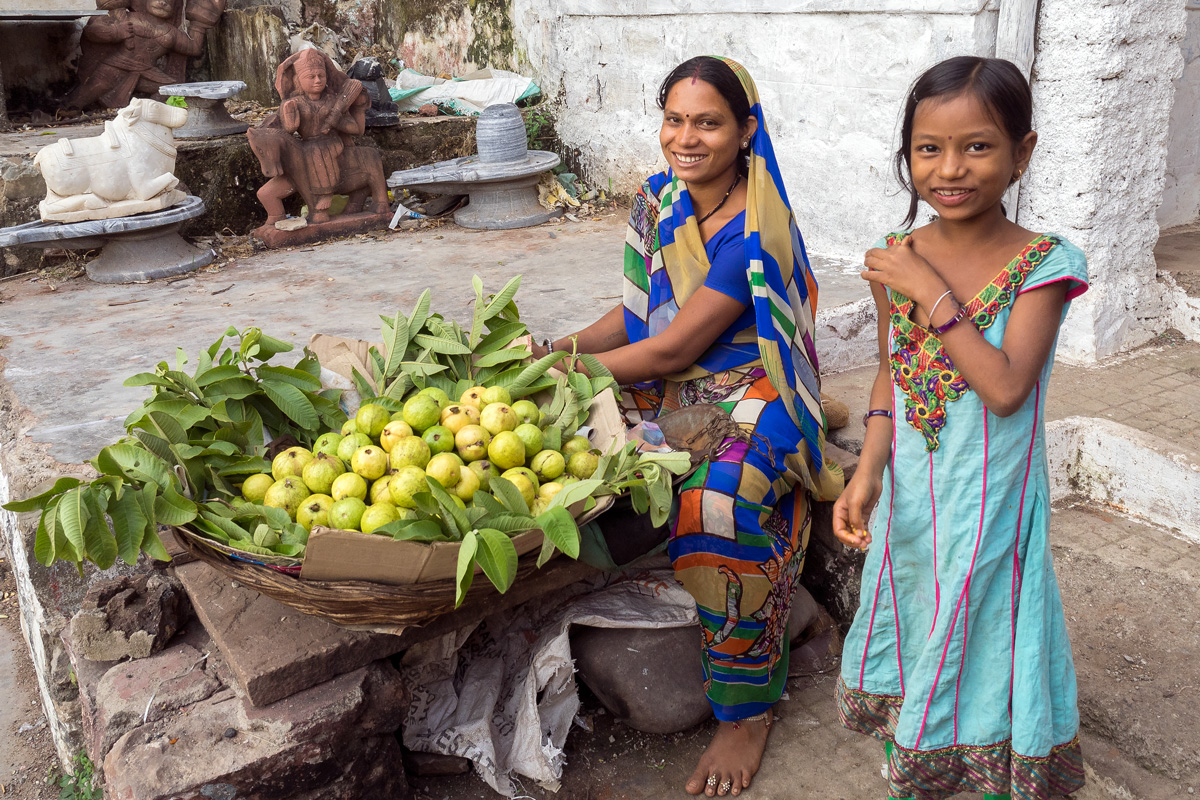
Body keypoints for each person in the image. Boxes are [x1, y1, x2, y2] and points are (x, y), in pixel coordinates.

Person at [532, 56, 843, 797]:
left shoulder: (755, 233)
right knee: (570, 443)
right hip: (674, 380)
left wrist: (571, 370)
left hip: (753, 382)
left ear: (745, 131)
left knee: (713, 501)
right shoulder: (660, 197)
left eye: (708, 122)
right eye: (675, 119)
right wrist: (554, 353)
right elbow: (638, 317)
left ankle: (746, 711)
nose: (687, 137)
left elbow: (673, 347)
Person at [831, 56, 1089, 800]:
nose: (950, 169)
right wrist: (869, 472)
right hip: (915, 494)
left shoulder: (1042, 264)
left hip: (992, 504)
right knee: (920, 618)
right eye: (928, 149)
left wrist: (933, 296)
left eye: (978, 146)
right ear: (907, 154)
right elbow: (890, 374)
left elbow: (1006, 387)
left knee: (988, 628)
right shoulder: (896, 258)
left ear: (1022, 153)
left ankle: (995, 769)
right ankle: (929, 761)